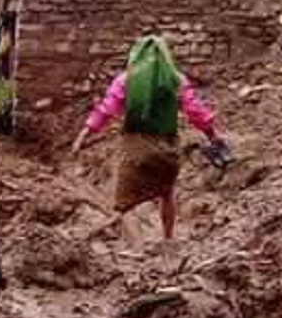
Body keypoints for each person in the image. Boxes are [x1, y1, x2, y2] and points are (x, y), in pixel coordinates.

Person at [72, 35, 224, 241]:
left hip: (136, 149)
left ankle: (131, 246)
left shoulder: (126, 80)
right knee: (167, 194)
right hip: (166, 150)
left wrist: (84, 133)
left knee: (124, 201)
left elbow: (106, 110)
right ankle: (168, 239)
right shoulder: (176, 80)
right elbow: (196, 112)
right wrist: (212, 136)